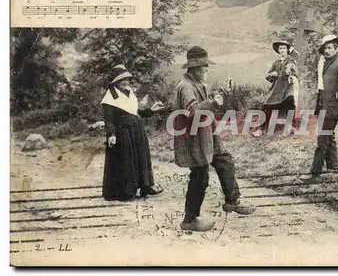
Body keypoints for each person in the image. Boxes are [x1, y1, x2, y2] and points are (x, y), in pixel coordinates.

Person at [173, 46, 256, 232]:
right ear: (195, 69)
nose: (207, 71)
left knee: (224, 160)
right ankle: (190, 219)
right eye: (204, 67)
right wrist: (213, 102)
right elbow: (192, 112)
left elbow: (205, 105)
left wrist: (221, 94)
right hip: (195, 139)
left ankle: (233, 201)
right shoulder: (185, 87)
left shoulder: (196, 84)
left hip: (208, 133)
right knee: (200, 177)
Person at [101, 64, 165, 201]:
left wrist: (151, 110)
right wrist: (111, 134)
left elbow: (136, 112)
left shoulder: (129, 92)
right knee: (126, 159)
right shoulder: (109, 98)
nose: (126, 82)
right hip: (123, 132)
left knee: (142, 157)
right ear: (115, 82)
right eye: (121, 80)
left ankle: (146, 187)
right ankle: (126, 192)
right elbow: (109, 119)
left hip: (137, 130)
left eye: (127, 79)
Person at [301, 35, 338, 181]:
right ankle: (334, 167)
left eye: (329, 48)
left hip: (331, 107)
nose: (326, 51)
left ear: (336, 49)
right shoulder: (327, 62)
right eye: (325, 48)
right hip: (323, 105)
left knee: (322, 140)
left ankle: (314, 173)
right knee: (329, 136)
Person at [254, 40, 300, 136]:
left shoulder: (291, 61)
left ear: (287, 50)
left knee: (290, 100)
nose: (282, 50)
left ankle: (292, 127)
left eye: (284, 48)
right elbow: (268, 77)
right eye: (280, 48)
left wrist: (290, 73)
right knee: (267, 104)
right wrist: (272, 74)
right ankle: (261, 129)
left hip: (288, 86)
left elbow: (296, 73)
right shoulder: (276, 63)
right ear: (278, 50)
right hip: (277, 87)